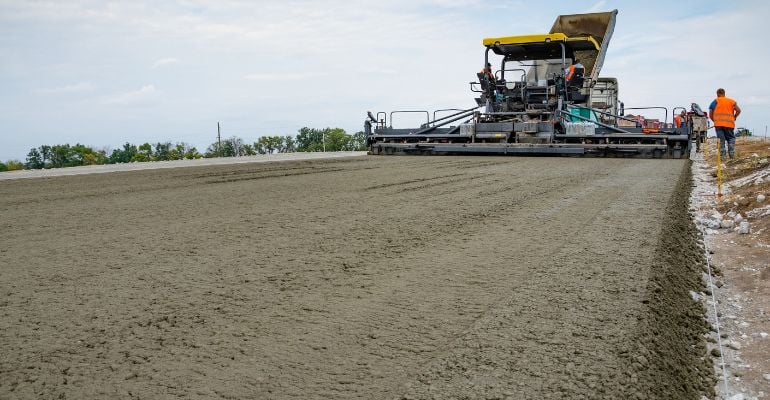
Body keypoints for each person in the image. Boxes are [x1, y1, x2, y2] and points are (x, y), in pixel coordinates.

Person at [709, 88, 741, 159]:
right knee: (731, 139)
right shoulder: (731, 101)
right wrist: (734, 117)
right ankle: (732, 156)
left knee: (721, 141)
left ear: (717, 94)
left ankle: (723, 158)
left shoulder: (715, 101)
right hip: (729, 124)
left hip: (718, 125)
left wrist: (715, 121)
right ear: (724, 93)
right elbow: (738, 110)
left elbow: (710, 114)